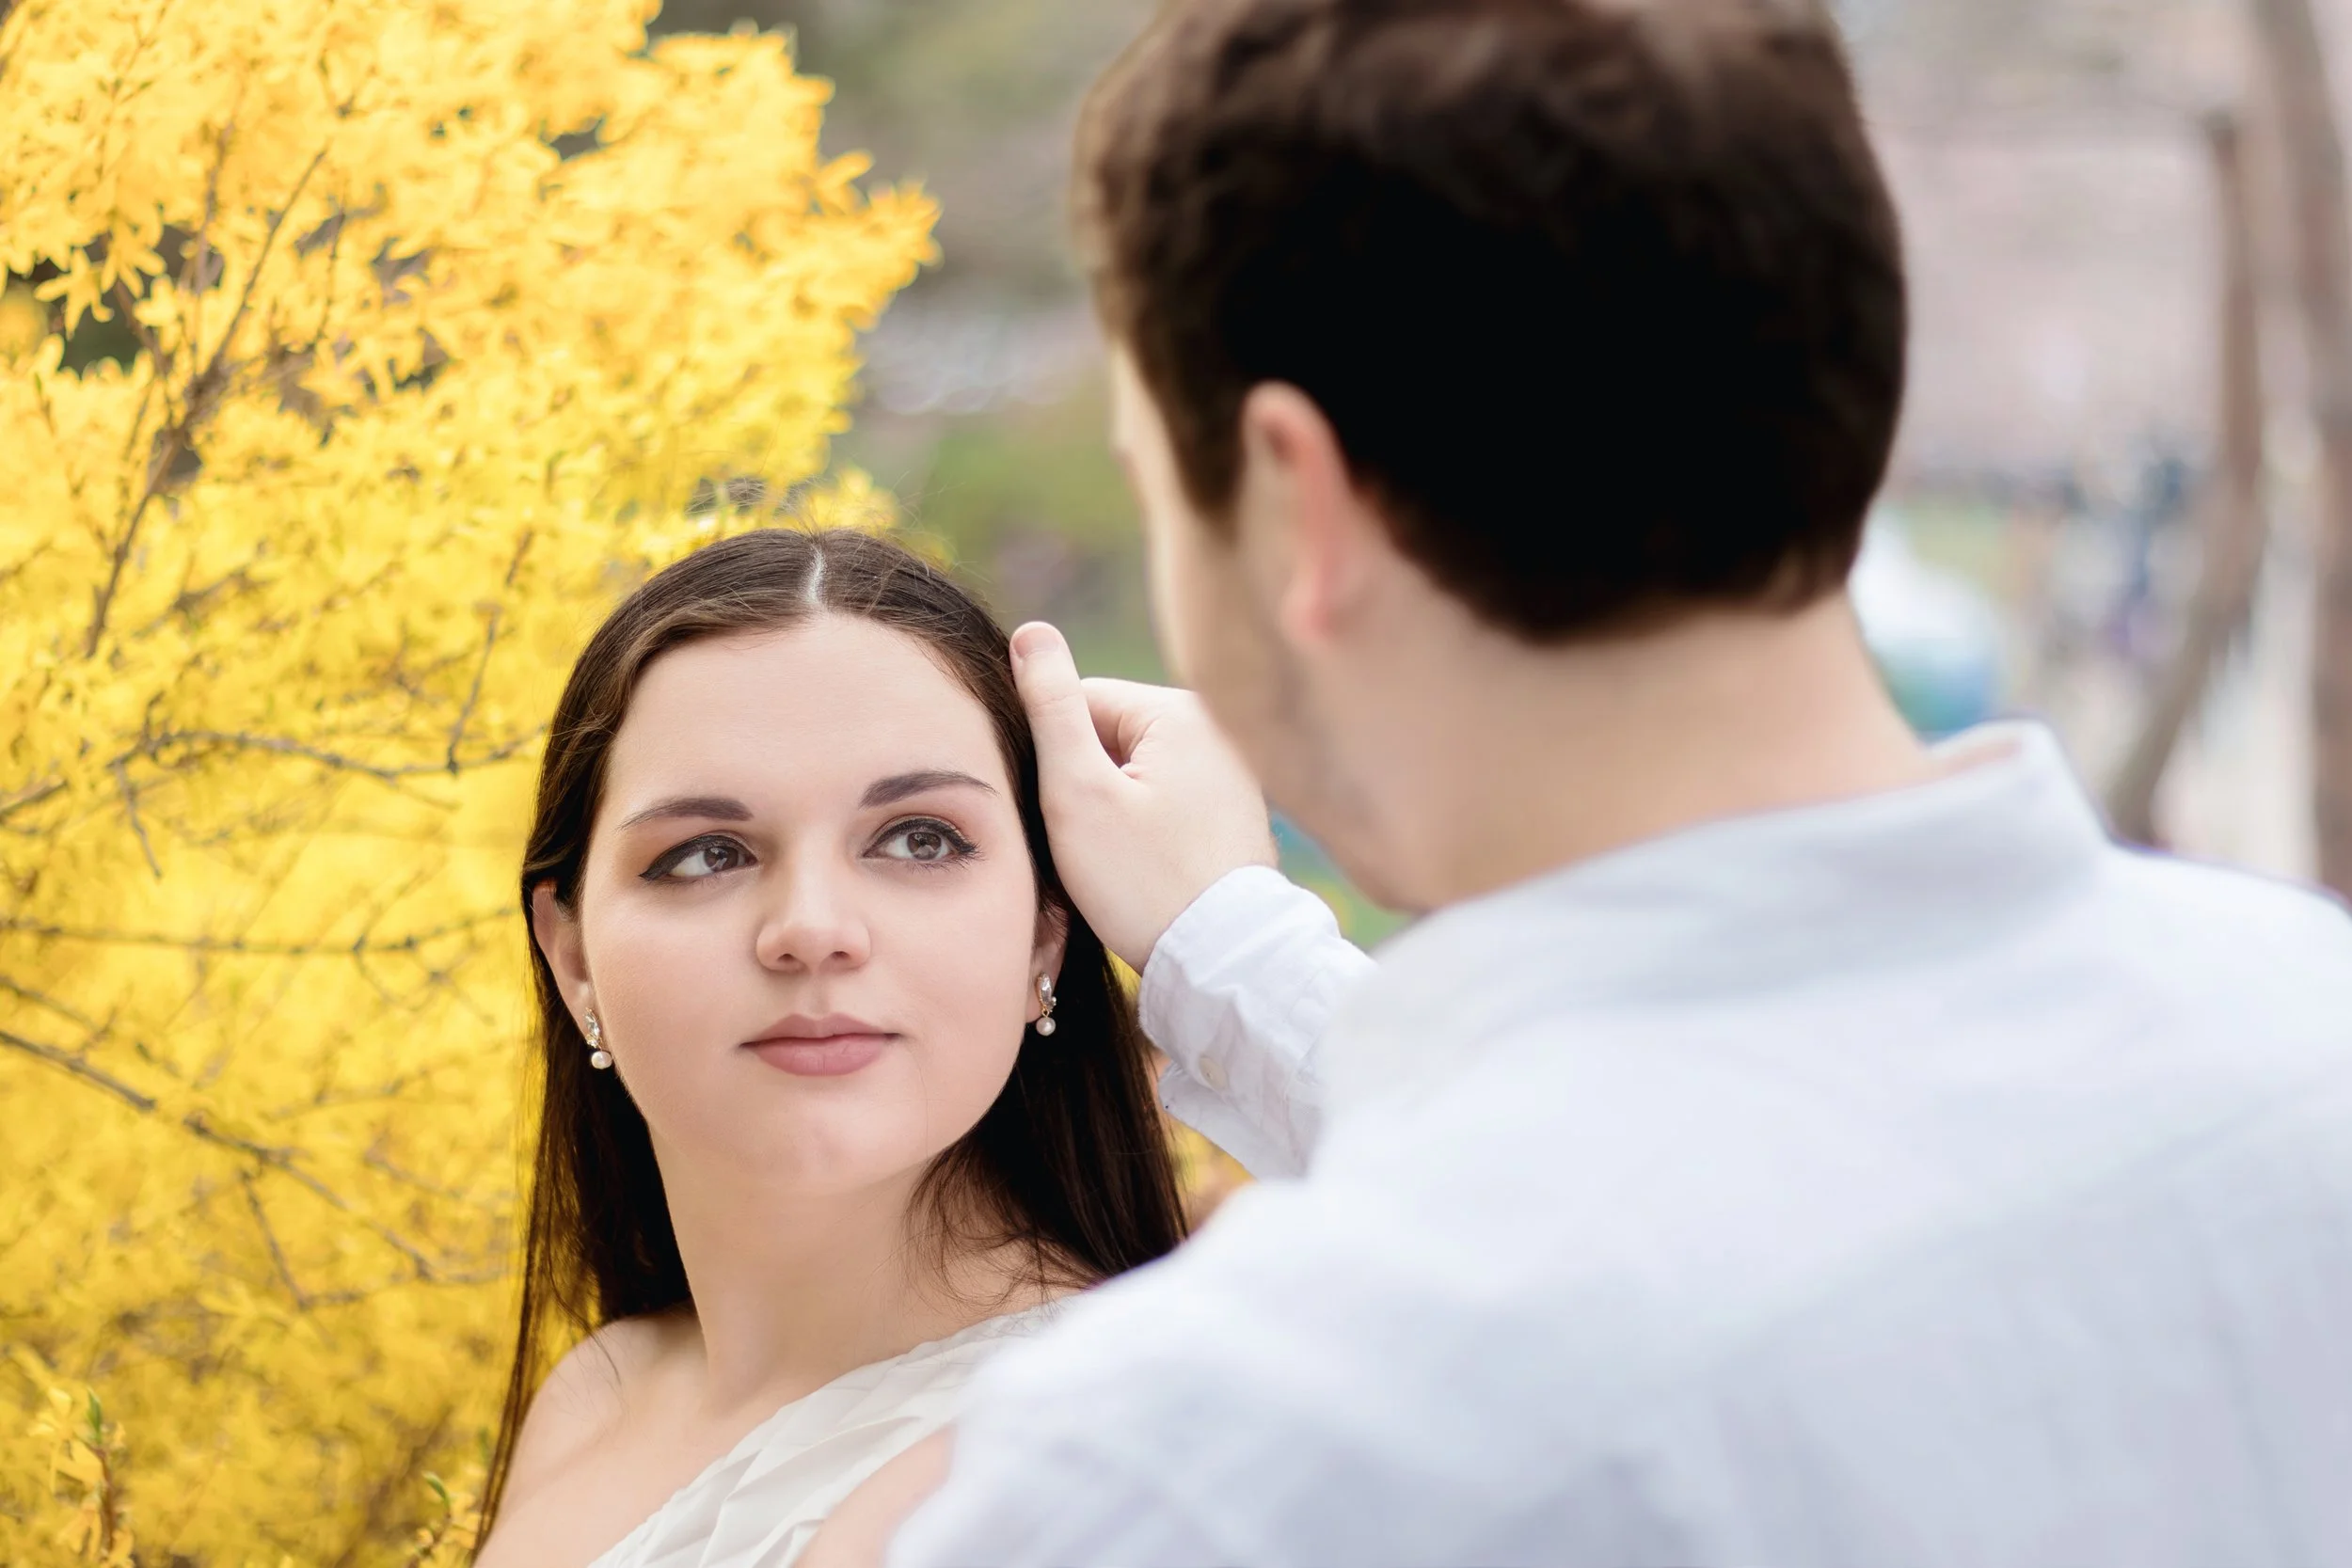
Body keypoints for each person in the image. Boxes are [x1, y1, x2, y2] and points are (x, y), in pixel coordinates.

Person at [811, 0, 2352, 1562]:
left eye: (1163, 487)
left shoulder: (1197, 1464)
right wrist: (1234, 951)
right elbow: (1747, 1172)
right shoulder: (2307, 1032)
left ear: (1296, 504)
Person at [474, 528, 1254, 1565]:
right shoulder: (599, 1394)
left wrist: (1230, 935)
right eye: (706, 853)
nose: (812, 926)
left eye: (919, 837)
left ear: (1045, 929)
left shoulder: (1099, 1451)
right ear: (572, 959)